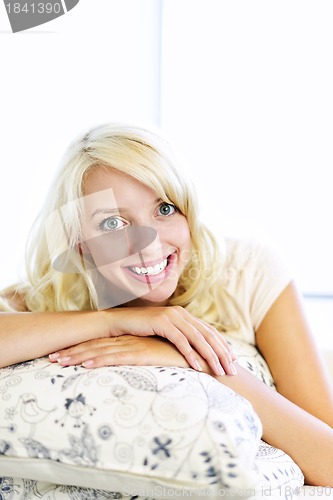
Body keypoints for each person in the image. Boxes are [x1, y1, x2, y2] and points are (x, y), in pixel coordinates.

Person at [0, 123, 333, 487]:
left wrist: (200, 360)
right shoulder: (51, 296)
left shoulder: (247, 273)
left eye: (165, 208)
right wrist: (113, 323)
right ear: (80, 243)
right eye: (113, 223)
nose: (149, 244)